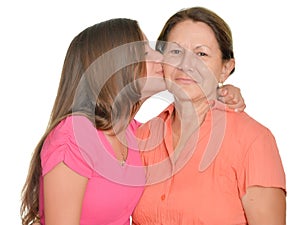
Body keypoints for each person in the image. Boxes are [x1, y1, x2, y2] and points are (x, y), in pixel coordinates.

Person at [20, 18, 245, 225]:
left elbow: (187, 115)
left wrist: (220, 92)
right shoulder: (74, 136)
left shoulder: (134, 132)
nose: (160, 57)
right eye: (145, 50)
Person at [132, 6, 286, 225]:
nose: (186, 65)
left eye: (201, 53)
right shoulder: (142, 136)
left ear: (225, 68)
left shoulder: (253, 141)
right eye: (175, 52)